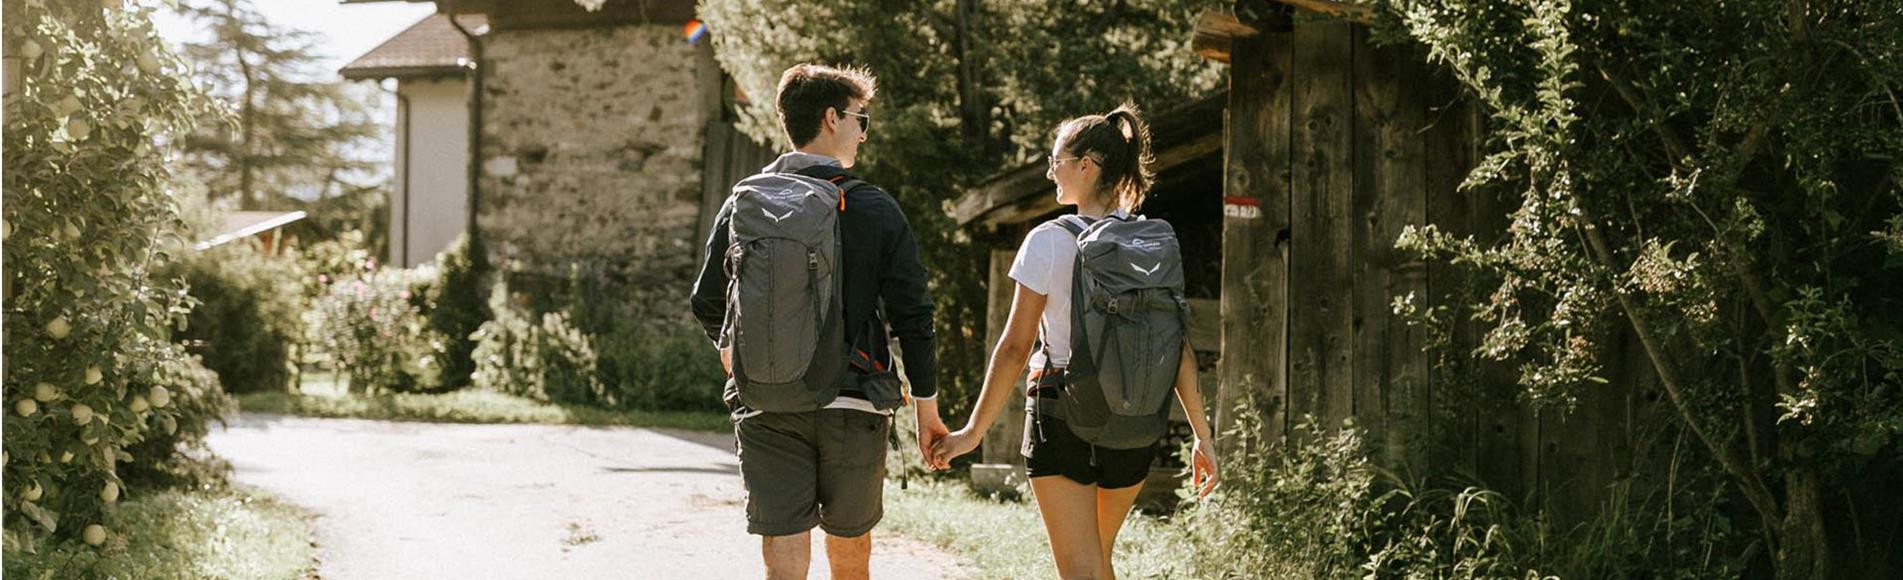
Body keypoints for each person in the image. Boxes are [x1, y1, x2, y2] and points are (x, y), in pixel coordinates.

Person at [932, 103, 1219, 580]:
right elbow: (1179, 347)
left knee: (1081, 569)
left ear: (1086, 165)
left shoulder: (1048, 240)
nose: (1050, 172)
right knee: (1098, 560)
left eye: (1056, 162)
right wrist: (1201, 436)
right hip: (1135, 420)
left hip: (1062, 414)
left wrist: (972, 433)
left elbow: (1015, 348)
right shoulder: (1153, 243)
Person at [689, 63, 948, 580]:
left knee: (783, 548)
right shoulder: (874, 206)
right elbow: (913, 316)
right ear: (832, 118)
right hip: (853, 402)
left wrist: (744, 356)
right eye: (860, 119)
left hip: (767, 400)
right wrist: (928, 411)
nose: (863, 132)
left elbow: (706, 300)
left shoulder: (746, 201)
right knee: (850, 548)